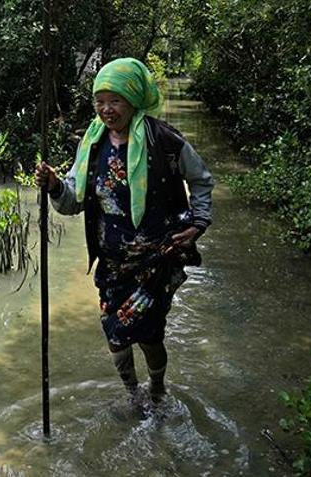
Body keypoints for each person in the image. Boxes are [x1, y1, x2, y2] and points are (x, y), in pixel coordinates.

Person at [35, 58, 214, 401]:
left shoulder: (165, 141)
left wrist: (198, 223)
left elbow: (202, 180)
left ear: (133, 100)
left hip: (157, 262)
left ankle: (157, 388)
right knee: (115, 335)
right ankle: (133, 393)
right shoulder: (92, 144)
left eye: (115, 100)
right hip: (113, 265)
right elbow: (73, 202)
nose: (107, 109)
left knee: (149, 335)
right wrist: (55, 185)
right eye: (100, 101)